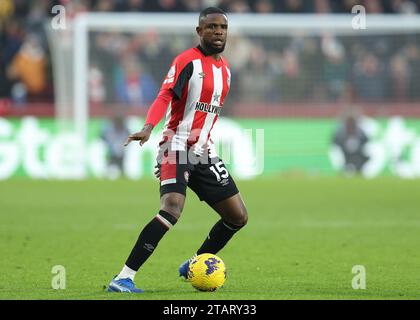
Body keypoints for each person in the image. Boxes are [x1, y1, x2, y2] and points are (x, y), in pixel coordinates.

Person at [107, 7, 248, 293]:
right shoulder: (187, 61)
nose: (218, 32)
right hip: (176, 144)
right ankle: (123, 277)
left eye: (222, 27)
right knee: (172, 207)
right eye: (211, 27)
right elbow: (164, 95)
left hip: (203, 151)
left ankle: (195, 263)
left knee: (237, 217)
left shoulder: (226, 71)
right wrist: (149, 127)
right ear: (200, 31)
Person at [332, 110, 370, 174]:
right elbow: (335, 141)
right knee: (344, 162)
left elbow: (365, 140)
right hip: (345, 153)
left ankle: (358, 171)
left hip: (358, 153)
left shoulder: (359, 131)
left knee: (361, 161)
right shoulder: (341, 131)